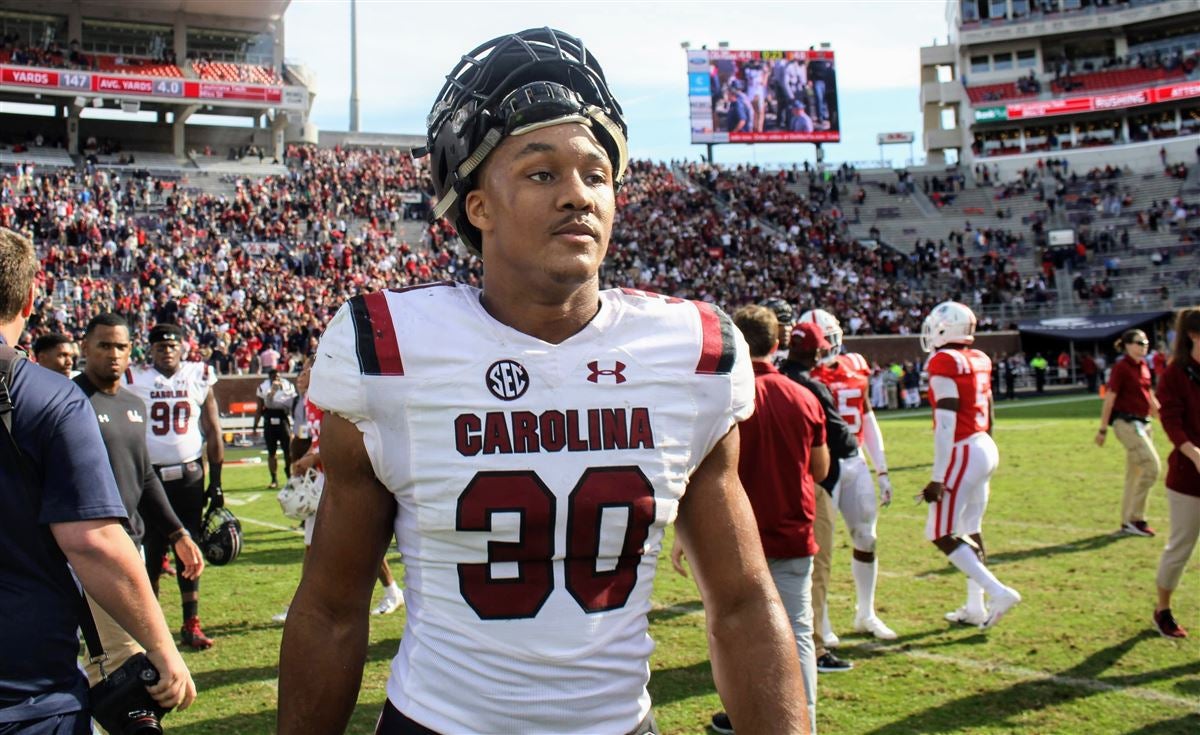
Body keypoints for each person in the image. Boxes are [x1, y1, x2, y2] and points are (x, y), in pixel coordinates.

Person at [278, 28, 809, 735]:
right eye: (540, 173)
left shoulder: (688, 351)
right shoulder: (391, 351)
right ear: (478, 206)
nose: (578, 195)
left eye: (596, 174)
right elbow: (332, 608)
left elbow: (741, 600)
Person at [0, 227, 194, 730]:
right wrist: (162, 647)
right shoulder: (55, 400)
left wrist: (174, 531)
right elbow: (91, 542)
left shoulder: (108, 402)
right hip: (26, 690)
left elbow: (143, 476)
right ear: (28, 299)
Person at [676, 305, 826, 734]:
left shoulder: (717, 399)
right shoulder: (803, 396)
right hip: (792, 528)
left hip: (732, 538)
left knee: (731, 629)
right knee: (795, 634)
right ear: (778, 344)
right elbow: (820, 469)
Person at [73, 312, 207, 683]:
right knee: (119, 661)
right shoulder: (70, 400)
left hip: (129, 541)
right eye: (103, 345)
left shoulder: (133, 404)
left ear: (131, 351)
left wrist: (178, 533)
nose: (113, 354)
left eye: (120, 346)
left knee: (116, 658)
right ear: (85, 347)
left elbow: (144, 474)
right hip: (87, 548)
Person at [271, 358, 404, 623]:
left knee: (358, 540)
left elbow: (342, 441)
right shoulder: (309, 400)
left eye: (307, 370)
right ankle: (304, 604)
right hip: (325, 478)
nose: (301, 375)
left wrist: (313, 458)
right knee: (313, 544)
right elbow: (319, 441)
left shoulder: (329, 400)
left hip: (343, 478)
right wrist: (307, 457)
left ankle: (391, 591)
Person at [919, 301, 1021, 629]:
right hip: (983, 443)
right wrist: (984, 444)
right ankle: (975, 607)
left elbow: (947, 422)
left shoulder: (944, 360)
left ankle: (997, 591)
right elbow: (989, 409)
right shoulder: (979, 358)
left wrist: (937, 477)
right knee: (971, 529)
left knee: (939, 532)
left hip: (963, 446)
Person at [799, 309, 898, 645]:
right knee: (819, 548)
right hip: (822, 462)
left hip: (854, 459)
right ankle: (821, 620)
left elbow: (866, 415)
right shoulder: (800, 374)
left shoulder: (856, 364)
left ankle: (865, 612)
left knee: (867, 537)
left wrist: (881, 467)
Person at [123, 323, 224, 650]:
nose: (166, 350)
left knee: (189, 547)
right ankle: (151, 627)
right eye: (160, 346)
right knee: (153, 548)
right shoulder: (135, 377)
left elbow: (212, 428)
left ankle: (190, 623)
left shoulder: (199, 374)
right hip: (150, 477)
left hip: (190, 474)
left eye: (172, 345)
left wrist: (217, 481)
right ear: (150, 349)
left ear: (183, 346)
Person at [780, 322, 858, 674]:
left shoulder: (762, 381)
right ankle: (812, 646)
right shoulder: (810, 388)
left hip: (760, 485)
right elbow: (836, 448)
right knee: (814, 568)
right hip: (804, 486)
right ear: (815, 352)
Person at [1151, 308, 1200, 638]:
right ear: (1193, 336)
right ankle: (1162, 609)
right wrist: (1193, 453)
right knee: (1180, 547)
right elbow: (1171, 421)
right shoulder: (1175, 374)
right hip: (1188, 478)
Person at [1095, 329, 1161, 537]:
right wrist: (1103, 429)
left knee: (1136, 473)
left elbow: (1149, 396)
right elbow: (1110, 399)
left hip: (1144, 423)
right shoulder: (1121, 368)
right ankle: (1136, 518)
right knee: (1152, 467)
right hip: (1127, 423)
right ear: (1127, 345)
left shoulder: (1143, 366)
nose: (1144, 346)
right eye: (1139, 343)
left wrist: (1166, 418)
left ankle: (1127, 521)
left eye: (1146, 343)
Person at [253, 368, 297, 489]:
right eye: (273, 376)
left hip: (283, 418)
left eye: (277, 376)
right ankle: (274, 479)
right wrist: (255, 425)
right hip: (269, 419)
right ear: (269, 377)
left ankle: (290, 477)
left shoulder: (287, 384)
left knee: (288, 451)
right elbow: (259, 407)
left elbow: (293, 403)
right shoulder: (263, 386)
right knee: (271, 452)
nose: (276, 379)